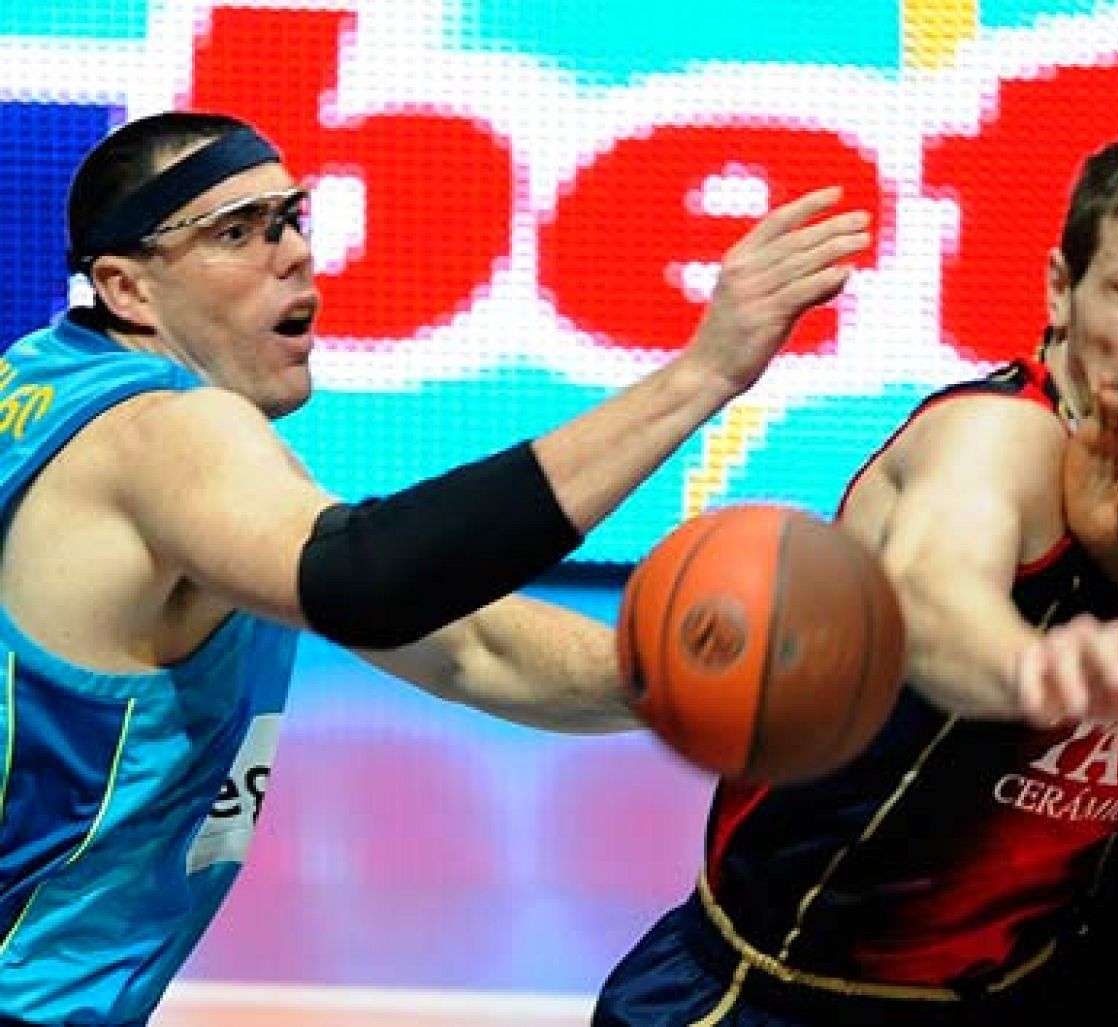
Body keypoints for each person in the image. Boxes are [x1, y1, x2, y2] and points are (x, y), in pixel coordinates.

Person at [0, 110, 869, 1025]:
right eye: (237, 231)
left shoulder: (52, 382)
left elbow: (468, 648)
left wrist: (698, 677)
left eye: (291, 218)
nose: (292, 254)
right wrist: (700, 376)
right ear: (126, 288)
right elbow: (368, 580)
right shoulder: (164, 435)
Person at [594, 129, 1118, 1026]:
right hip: (781, 998)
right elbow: (934, 596)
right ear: (1060, 291)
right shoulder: (1000, 438)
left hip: (1019, 986)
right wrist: (1026, 670)